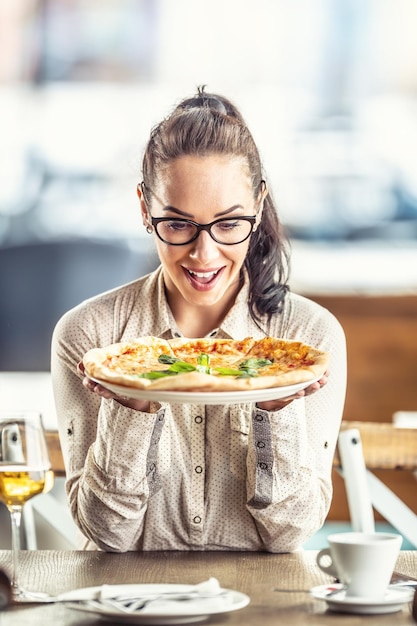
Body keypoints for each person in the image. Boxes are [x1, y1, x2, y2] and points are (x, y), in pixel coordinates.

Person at [51, 87, 347, 553]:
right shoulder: (90, 336)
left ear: (259, 203)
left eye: (229, 224)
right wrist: (132, 405)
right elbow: (108, 535)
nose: (204, 253)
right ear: (145, 209)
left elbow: (290, 534)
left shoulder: (307, 337)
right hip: (127, 609)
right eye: (178, 224)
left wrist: (276, 408)